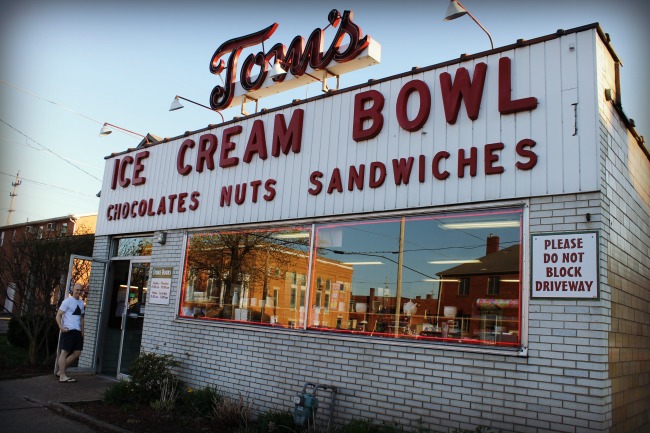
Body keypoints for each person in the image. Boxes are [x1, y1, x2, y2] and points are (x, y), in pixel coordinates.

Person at [55, 283, 85, 383]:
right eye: (77, 290)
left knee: (77, 353)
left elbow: (81, 318)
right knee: (65, 352)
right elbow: (58, 315)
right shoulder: (67, 301)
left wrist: (82, 332)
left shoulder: (81, 303)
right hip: (68, 330)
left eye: (80, 290)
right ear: (73, 290)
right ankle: (62, 376)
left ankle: (61, 371)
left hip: (77, 331)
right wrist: (61, 327)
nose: (79, 292)